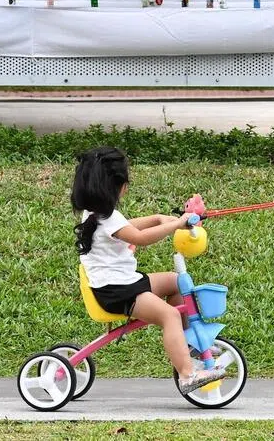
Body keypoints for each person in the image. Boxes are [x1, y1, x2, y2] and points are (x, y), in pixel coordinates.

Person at [71, 146, 231, 396]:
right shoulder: (107, 218)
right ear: (115, 186)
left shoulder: (96, 214)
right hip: (118, 292)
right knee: (170, 316)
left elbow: (129, 227)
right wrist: (177, 223)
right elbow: (140, 237)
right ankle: (188, 375)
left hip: (122, 284)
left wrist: (158, 218)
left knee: (176, 282)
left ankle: (187, 344)